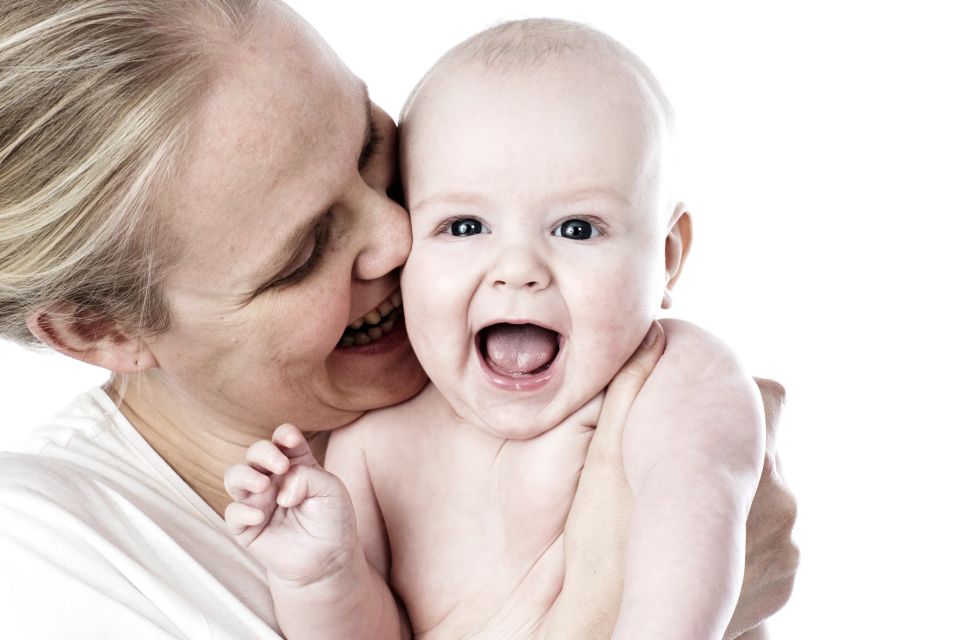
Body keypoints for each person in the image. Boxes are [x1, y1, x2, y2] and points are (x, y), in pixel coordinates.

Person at [0, 1, 797, 638]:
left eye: (372, 145)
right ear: (98, 331)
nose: (398, 235)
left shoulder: (661, 377)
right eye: (307, 250)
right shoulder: (40, 564)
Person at [226, 19, 772, 640]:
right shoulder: (370, 443)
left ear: (667, 256)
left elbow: (693, 527)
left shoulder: (675, 377)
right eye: (463, 227)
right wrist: (322, 576)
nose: (517, 270)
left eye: (577, 229)